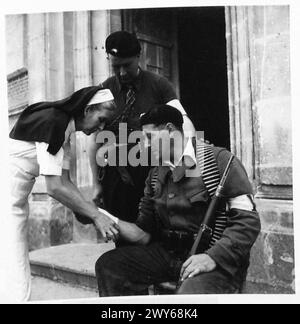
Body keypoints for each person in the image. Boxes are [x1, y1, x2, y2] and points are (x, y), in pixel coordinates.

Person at [95, 105, 261, 296]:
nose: (145, 145)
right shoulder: (156, 174)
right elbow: (143, 231)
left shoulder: (218, 161)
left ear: (170, 130)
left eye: (149, 137)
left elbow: (247, 221)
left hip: (212, 257)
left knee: (188, 295)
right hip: (170, 255)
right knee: (110, 266)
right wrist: (103, 218)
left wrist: (213, 257)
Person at [7, 86, 119, 302]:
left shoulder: (64, 127)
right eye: (102, 119)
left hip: (15, 201)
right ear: (87, 111)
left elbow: (65, 181)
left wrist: (90, 209)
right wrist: (96, 216)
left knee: (14, 268)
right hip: (7, 202)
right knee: (15, 271)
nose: (101, 127)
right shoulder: (55, 122)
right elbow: (55, 187)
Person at [88, 31, 195, 227]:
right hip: (117, 181)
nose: (121, 73)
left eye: (126, 65)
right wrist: (95, 185)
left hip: (154, 176)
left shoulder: (159, 84)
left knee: (158, 230)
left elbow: (183, 121)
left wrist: (189, 159)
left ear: (139, 56)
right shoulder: (104, 90)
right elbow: (94, 139)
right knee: (124, 235)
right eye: (115, 66)